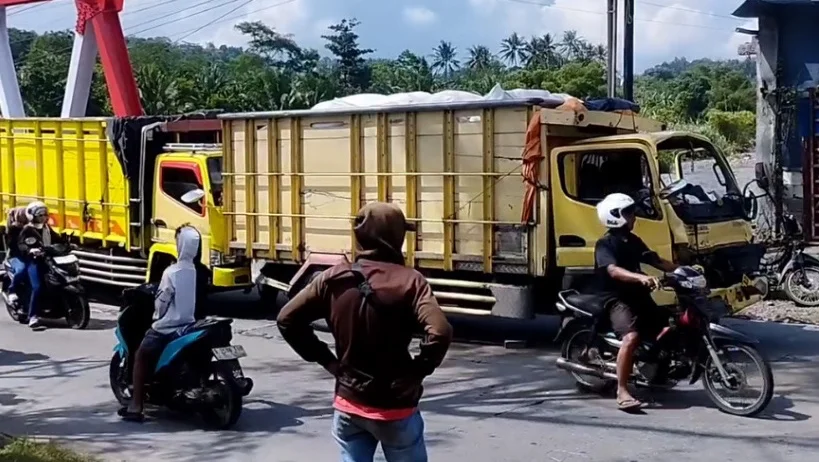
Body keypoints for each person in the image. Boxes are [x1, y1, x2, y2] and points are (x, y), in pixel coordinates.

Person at [277, 202, 453, 462]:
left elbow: (286, 319)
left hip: (349, 405)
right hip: (395, 408)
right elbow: (439, 331)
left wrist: (327, 361)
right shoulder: (410, 281)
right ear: (395, 237)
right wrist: (417, 372)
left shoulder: (332, 278)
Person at [592, 193, 678, 412]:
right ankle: (622, 390)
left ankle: (656, 371)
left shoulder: (633, 240)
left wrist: (683, 270)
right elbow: (612, 270)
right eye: (629, 213)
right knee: (631, 337)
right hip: (615, 299)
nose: (634, 217)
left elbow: (655, 260)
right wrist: (640, 277)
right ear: (615, 216)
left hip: (638, 296)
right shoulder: (605, 244)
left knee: (670, 326)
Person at [119, 225, 203, 422]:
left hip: (167, 327)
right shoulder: (197, 270)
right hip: (189, 324)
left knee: (141, 355)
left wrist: (157, 315)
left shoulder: (172, 272)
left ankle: (136, 406)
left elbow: (162, 300)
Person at [17, 201, 62, 329]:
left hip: (49, 260)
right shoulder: (28, 230)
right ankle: (33, 316)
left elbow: (57, 239)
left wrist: (67, 244)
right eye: (40, 215)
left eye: (44, 215)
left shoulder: (47, 228)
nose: (43, 217)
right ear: (32, 216)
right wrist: (30, 250)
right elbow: (21, 245)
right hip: (34, 261)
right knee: (37, 287)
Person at [4, 206, 29, 306]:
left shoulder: (32, 227)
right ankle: (12, 290)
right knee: (22, 270)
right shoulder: (14, 229)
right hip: (16, 257)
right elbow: (12, 245)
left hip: (29, 255)